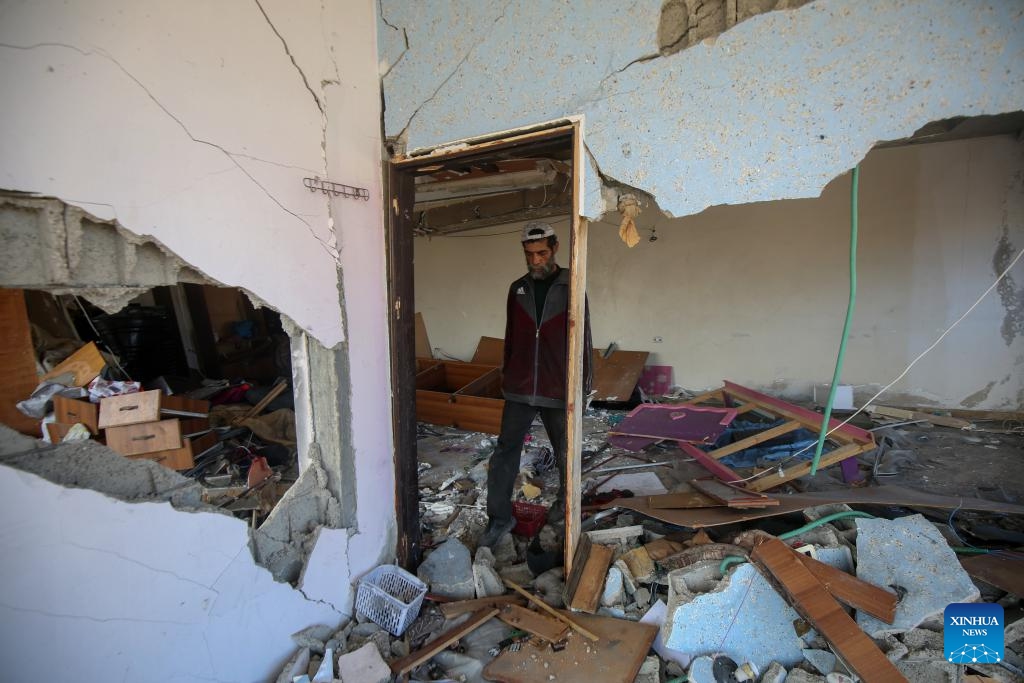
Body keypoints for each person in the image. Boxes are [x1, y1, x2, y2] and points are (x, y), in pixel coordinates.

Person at [479, 221, 592, 548]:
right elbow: (511, 338)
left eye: (541, 253)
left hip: (558, 387)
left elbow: (584, 341)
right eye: (530, 255)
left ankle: (565, 509)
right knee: (505, 452)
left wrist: (582, 387)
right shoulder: (518, 289)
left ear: (555, 248)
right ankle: (499, 518)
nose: (536, 260)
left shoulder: (572, 286)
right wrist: (507, 377)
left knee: (566, 452)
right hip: (520, 387)